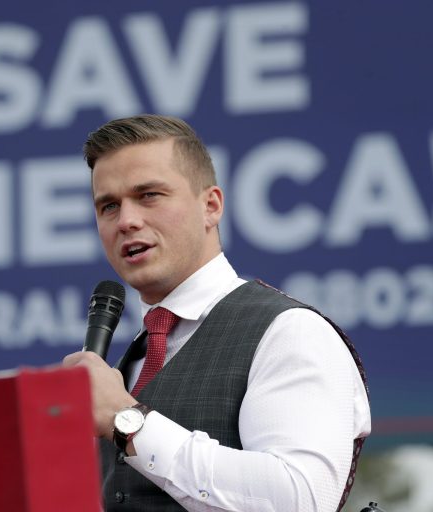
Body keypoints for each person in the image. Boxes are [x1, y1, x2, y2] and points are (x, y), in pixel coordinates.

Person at [63, 115, 371, 512]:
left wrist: (126, 420)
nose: (126, 221)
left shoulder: (289, 331)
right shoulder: (128, 365)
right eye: (109, 206)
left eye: (149, 195)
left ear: (210, 206)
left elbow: (299, 499)